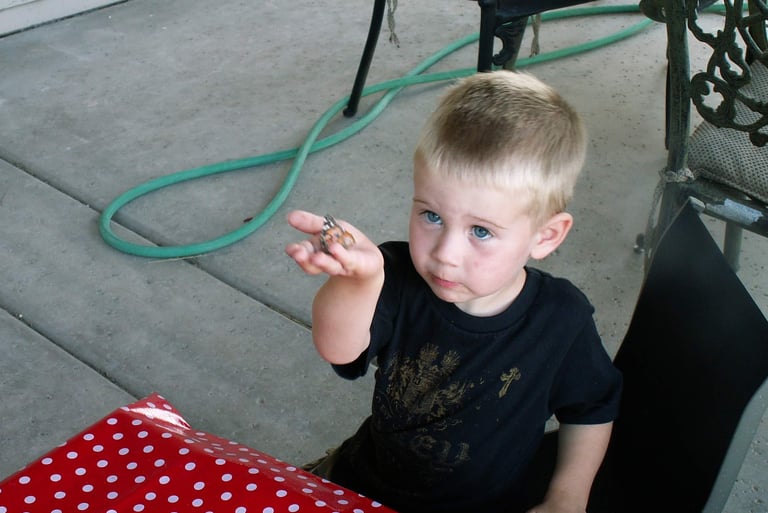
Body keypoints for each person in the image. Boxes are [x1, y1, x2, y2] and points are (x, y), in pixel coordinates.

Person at [285, 70, 622, 513]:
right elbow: (338, 349)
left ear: (545, 236)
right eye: (432, 216)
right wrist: (356, 283)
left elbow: (591, 407)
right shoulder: (397, 274)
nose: (445, 254)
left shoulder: (561, 320)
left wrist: (568, 495)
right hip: (361, 483)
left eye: (481, 230)